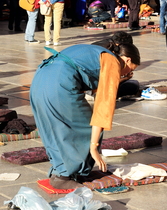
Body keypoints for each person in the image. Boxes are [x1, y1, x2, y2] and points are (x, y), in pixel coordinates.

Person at [30, 43, 140, 190]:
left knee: (57, 129)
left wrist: (118, 80)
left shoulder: (99, 52)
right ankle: (63, 176)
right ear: (127, 60)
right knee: (87, 128)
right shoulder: (112, 61)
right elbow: (102, 108)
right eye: (130, 69)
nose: (126, 73)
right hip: (60, 84)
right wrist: (94, 147)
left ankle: (68, 172)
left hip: (40, 79)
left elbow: (89, 81)